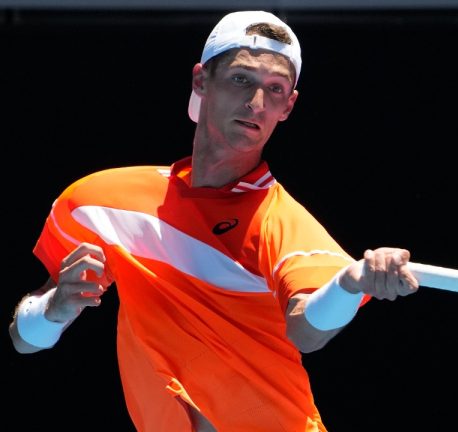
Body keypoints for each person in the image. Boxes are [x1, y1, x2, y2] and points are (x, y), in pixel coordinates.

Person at [9, 10, 419, 432]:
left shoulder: (281, 224)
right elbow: (23, 339)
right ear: (201, 80)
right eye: (242, 79)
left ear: (288, 107)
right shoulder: (99, 204)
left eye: (275, 89)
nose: (256, 104)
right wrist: (55, 310)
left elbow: (307, 331)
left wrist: (350, 285)